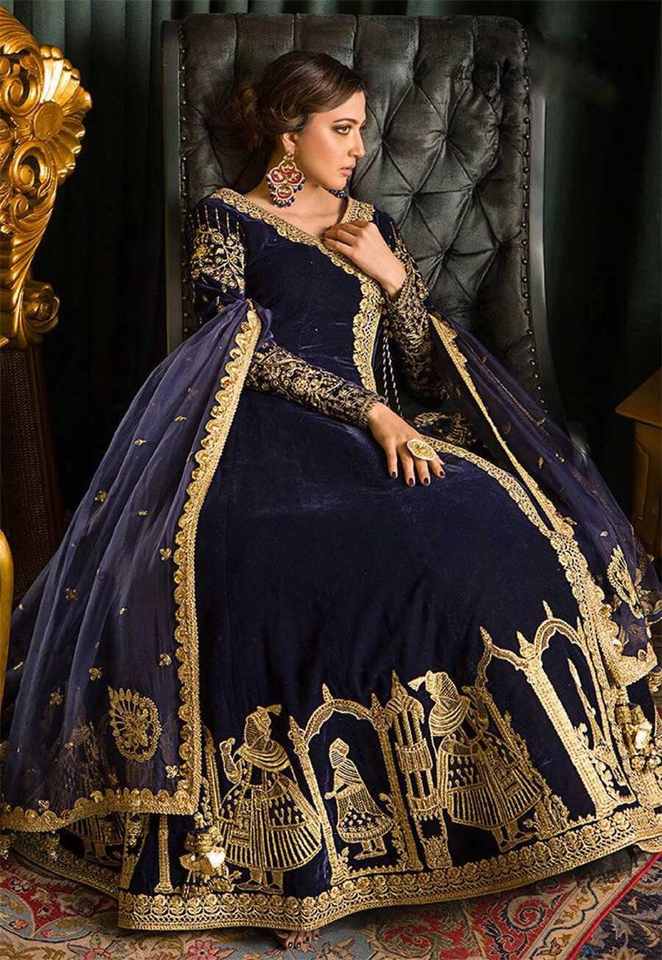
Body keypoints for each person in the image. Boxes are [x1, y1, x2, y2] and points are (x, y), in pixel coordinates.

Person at [1, 49, 662, 954]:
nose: (358, 149)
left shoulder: (369, 224)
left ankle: (512, 806)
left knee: (492, 525)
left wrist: (395, 278)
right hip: (259, 437)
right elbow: (237, 352)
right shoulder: (227, 219)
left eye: (361, 130)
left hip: (382, 429)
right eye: (341, 130)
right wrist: (369, 411)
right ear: (288, 133)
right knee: (316, 554)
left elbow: (420, 365)